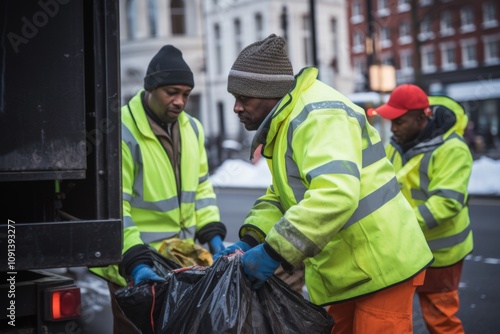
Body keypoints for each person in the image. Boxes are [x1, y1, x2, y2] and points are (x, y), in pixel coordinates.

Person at [214, 34, 433, 333]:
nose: (237, 108)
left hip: (381, 266)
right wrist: (251, 239)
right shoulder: (290, 120)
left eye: (244, 98)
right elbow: (282, 196)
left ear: (269, 92)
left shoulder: (316, 116)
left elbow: (335, 194)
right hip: (355, 268)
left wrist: (272, 252)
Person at [91, 45, 226, 333]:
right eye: (171, 92)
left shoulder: (193, 129)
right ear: (150, 89)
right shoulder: (121, 131)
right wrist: (135, 261)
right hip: (135, 265)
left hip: (178, 261)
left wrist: (212, 233)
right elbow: (115, 206)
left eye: (186, 95)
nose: (180, 101)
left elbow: (201, 188)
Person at [372, 84, 473, 334]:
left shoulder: (452, 149)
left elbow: (446, 203)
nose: (393, 128)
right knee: (394, 318)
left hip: (440, 253)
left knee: (441, 322)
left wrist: (396, 224)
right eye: (391, 121)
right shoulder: (395, 145)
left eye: (399, 121)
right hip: (406, 248)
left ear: (421, 118)